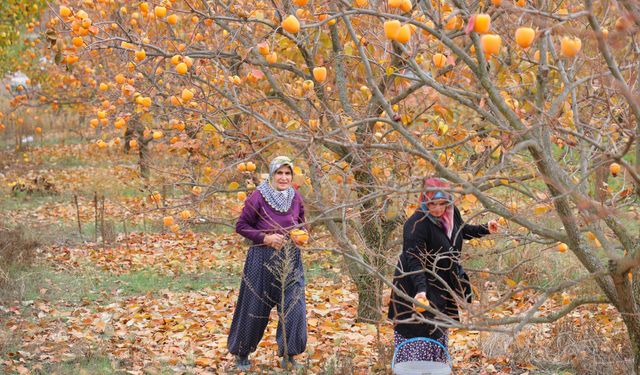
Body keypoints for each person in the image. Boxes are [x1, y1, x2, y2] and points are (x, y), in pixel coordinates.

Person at [388, 177, 498, 364]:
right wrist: (421, 291)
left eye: (442, 203)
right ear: (424, 200)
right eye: (432, 204)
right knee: (419, 329)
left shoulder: (450, 213)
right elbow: (414, 262)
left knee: (438, 330)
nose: (438, 209)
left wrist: (484, 228)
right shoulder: (415, 226)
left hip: (441, 283)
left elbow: (460, 231)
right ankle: (416, 368)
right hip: (415, 284)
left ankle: (435, 366)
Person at [227, 156, 308, 371]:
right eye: (279, 173)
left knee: (294, 307)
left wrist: (302, 235)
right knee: (254, 308)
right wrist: (265, 238)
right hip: (261, 260)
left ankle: (290, 355)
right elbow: (242, 225)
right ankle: (242, 353)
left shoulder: (296, 197)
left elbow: (303, 223)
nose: (283, 177)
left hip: (290, 260)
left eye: (287, 173)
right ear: (272, 175)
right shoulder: (258, 196)